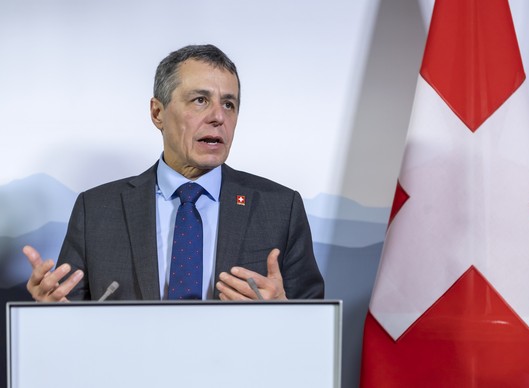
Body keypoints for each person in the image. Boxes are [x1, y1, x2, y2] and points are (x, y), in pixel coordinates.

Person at [23, 44, 324, 302]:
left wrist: (286, 310)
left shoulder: (280, 209)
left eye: (229, 104)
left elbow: (314, 327)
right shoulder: (97, 210)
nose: (219, 117)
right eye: (200, 100)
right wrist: (52, 312)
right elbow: (68, 317)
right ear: (158, 113)